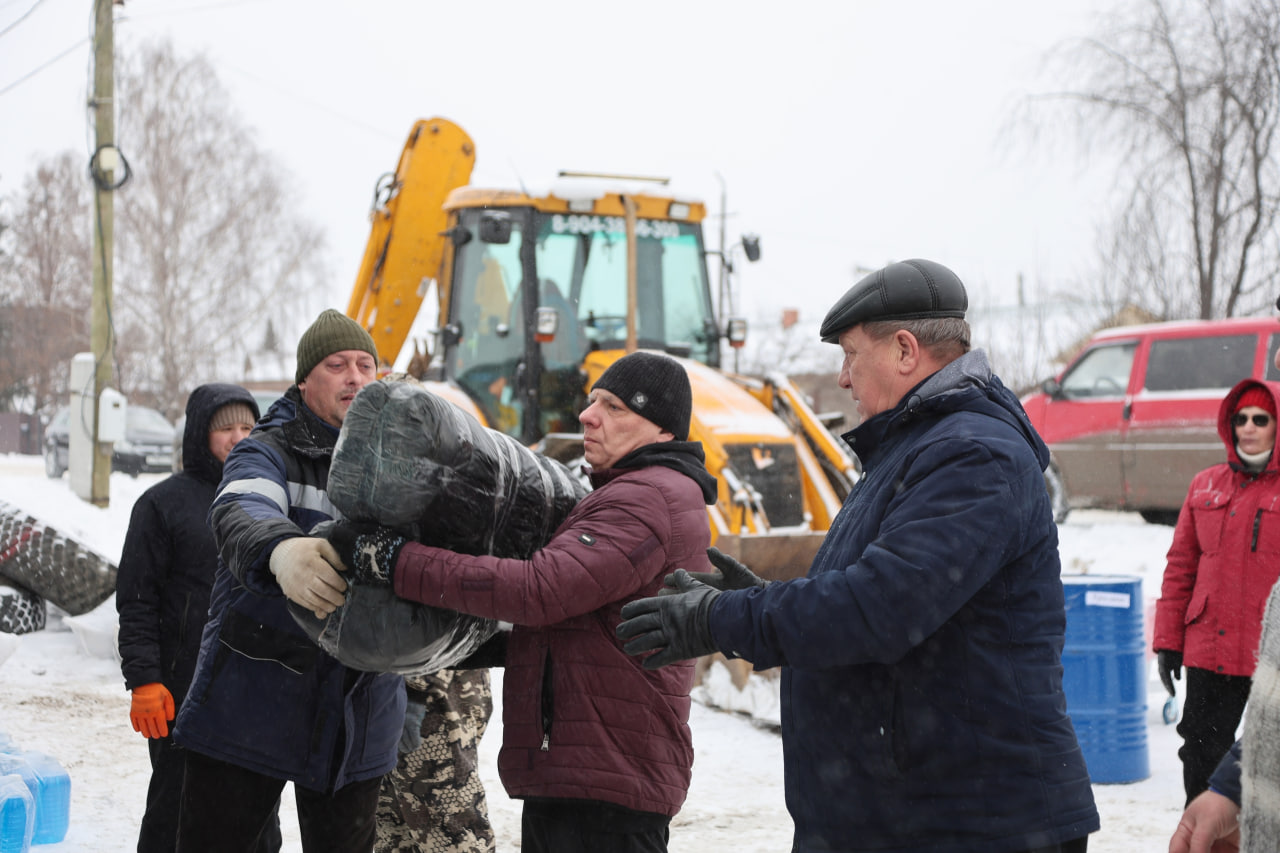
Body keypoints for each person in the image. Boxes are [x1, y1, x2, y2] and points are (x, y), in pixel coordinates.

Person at [615, 259, 1101, 853]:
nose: (843, 378)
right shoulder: (915, 447)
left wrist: (723, 617)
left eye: (850, 354)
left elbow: (880, 608)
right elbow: (876, 592)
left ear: (905, 351)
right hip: (915, 811)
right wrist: (757, 600)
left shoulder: (974, 454)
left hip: (971, 821)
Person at [325, 350, 718, 853]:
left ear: (662, 430)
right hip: (594, 770)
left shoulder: (644, 499)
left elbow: (539, 592)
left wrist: (395, 560)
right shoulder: (638, 492)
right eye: (593, 400)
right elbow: (587, 625)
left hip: (602, 780)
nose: (587, 415)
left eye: (614, 407)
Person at [171, 310, 406, 853]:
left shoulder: (402, 460)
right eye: (336, 365)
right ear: (304, 382)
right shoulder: (267, 449)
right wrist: (280, 550)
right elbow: (241, 505)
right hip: (251, 705)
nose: (355, 377)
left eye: (365, 364)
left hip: (357, 717)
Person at [116, 383, 278, 853]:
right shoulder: (162, 504)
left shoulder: (271, 499)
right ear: (199, 435)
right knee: (176, 812)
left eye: (247, 426)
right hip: (183, 692)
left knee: (259, 820)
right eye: (224, 428)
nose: (238, 437)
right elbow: (138, 600)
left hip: (258, 691)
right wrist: (145, 679)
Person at [1153, 378, 1280, 806]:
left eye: (1260, 419)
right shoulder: (1206, 485)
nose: (1248, 428)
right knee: (1201, 758)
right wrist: (1168, 642)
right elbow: (1180, 569)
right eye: (1240, 419)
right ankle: (1203, 836)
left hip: (1271, 655)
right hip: (1211, 651)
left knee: (1268, 766)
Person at [1168, 575, 1280, 853]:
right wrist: (1231, 791)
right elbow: (1181, 567)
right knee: (1201, 750)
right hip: (1211, 650)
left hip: (1256, 648)